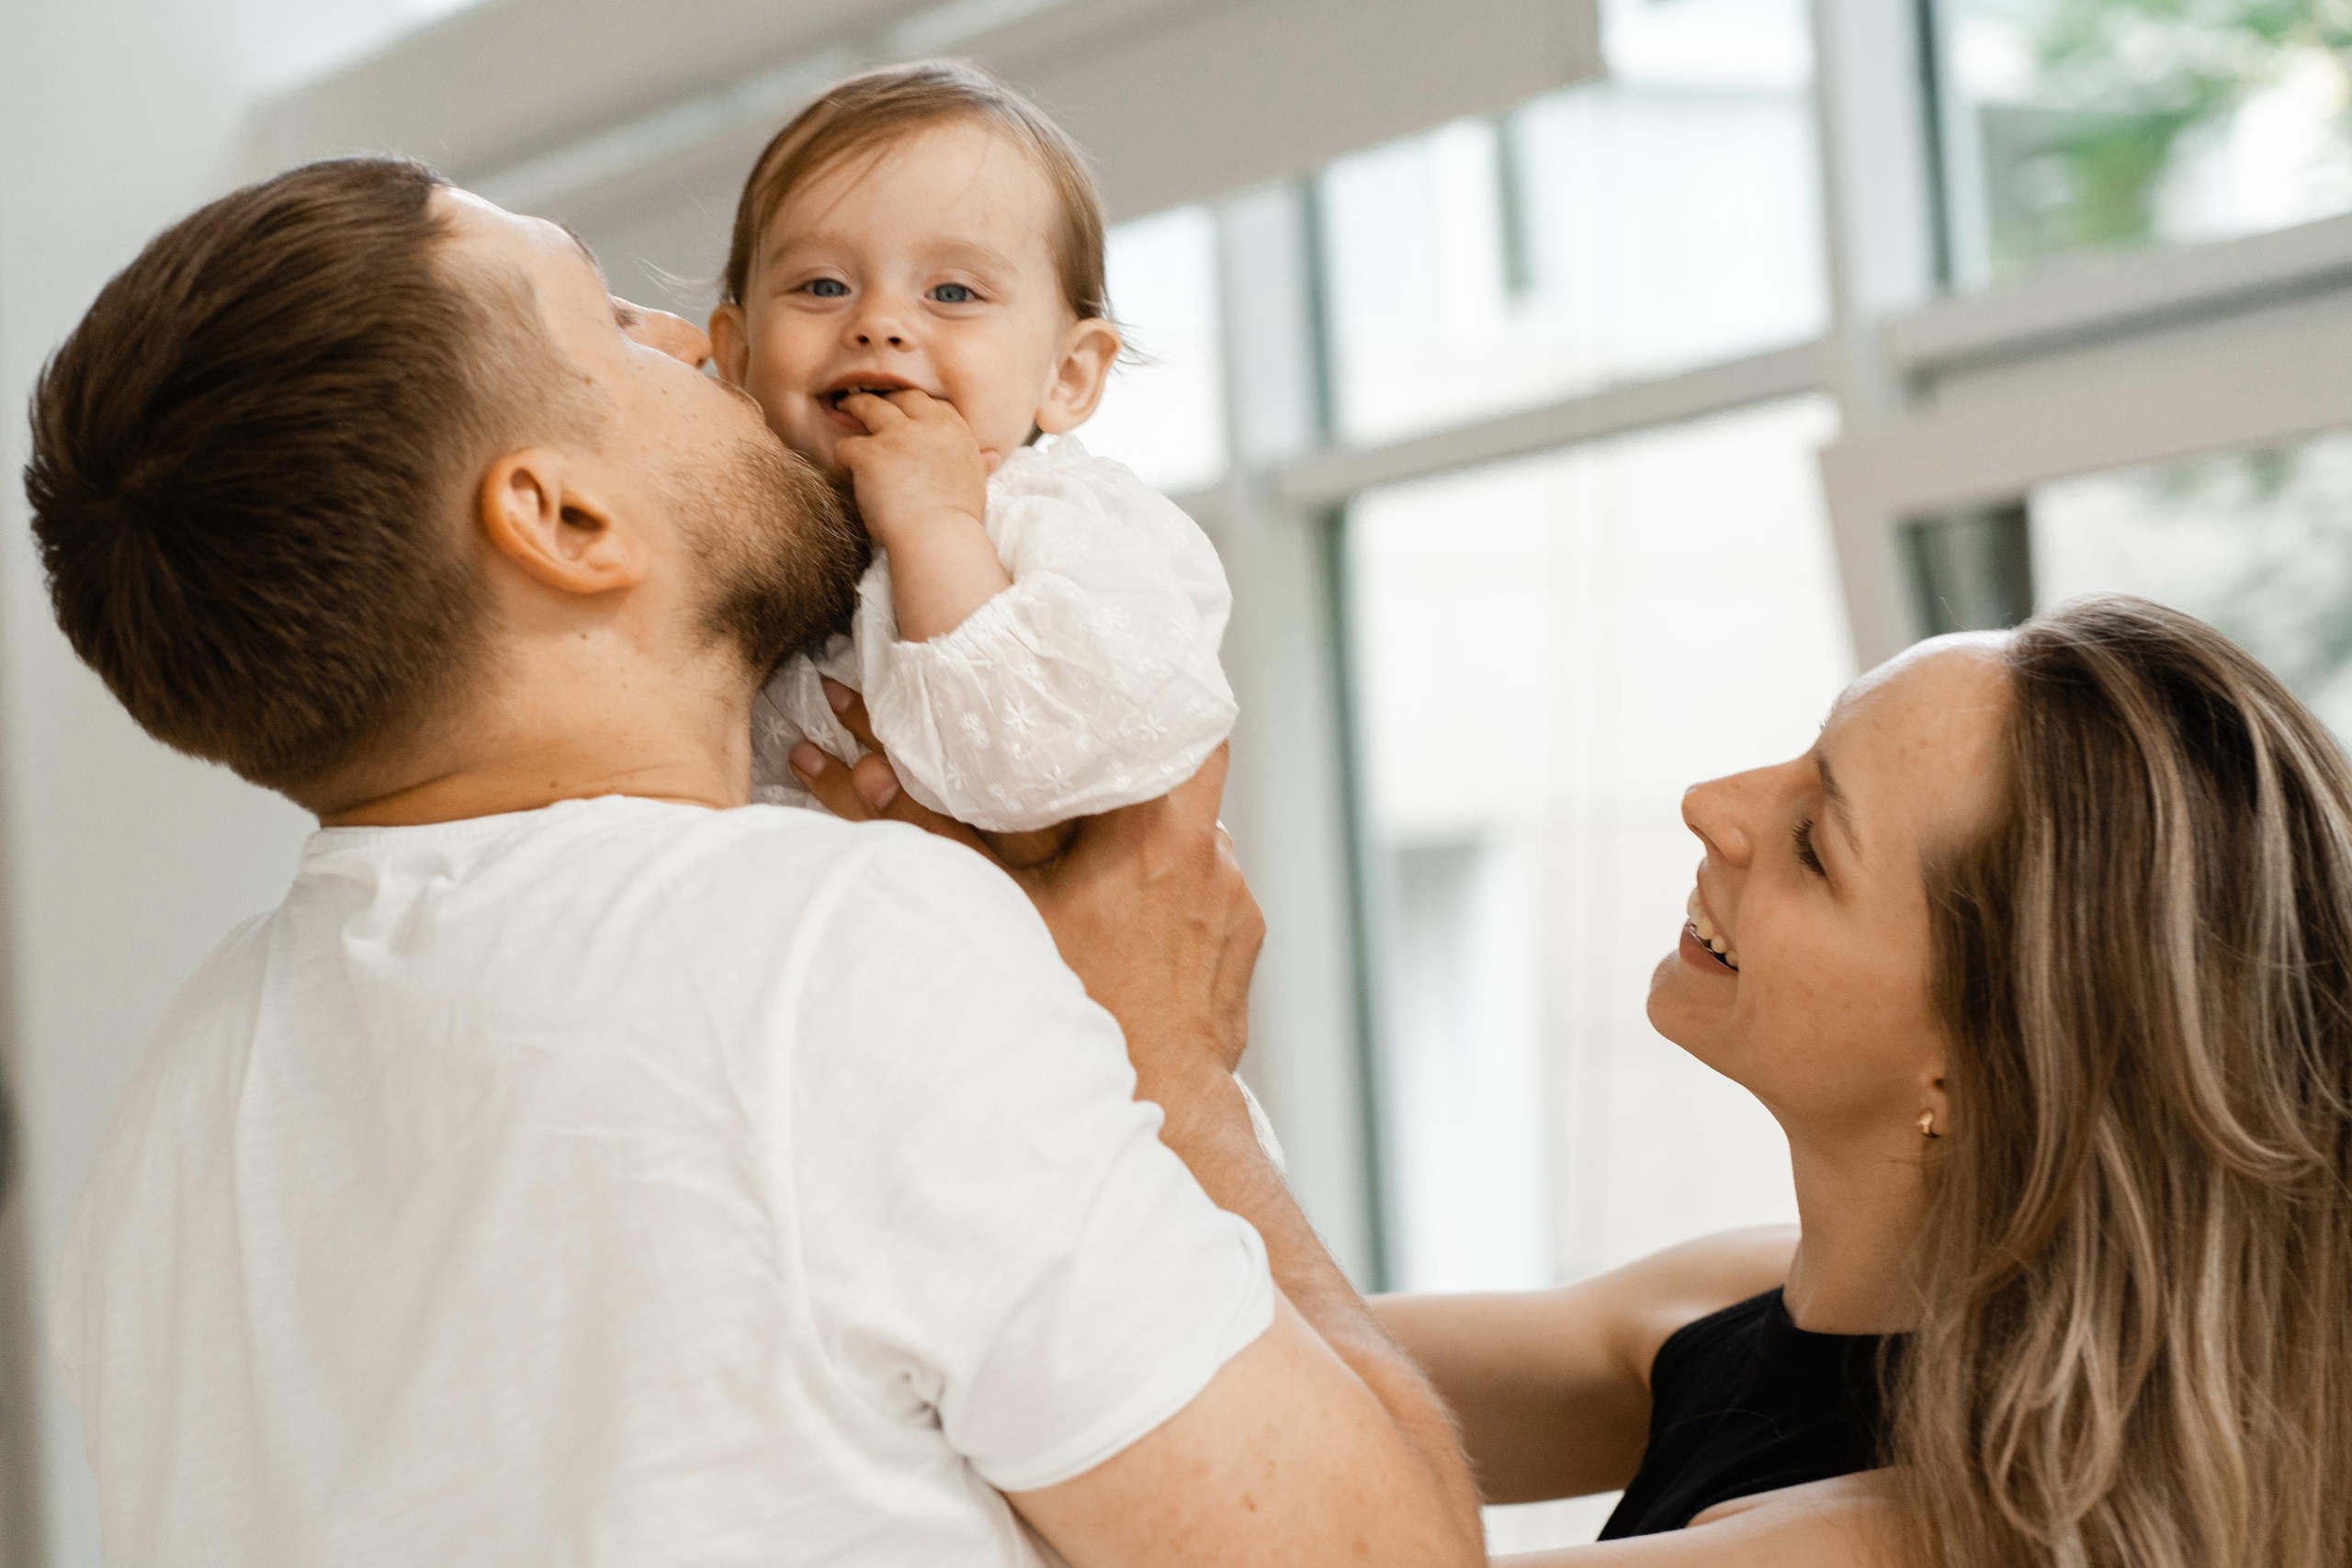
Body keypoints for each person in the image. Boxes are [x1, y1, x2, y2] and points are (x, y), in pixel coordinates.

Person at [23, 155, 1482, 1567]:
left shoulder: (175, 1105)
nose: (694, 339)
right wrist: (1176, 1074)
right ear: (565, 519)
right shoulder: (837, 953)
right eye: (609, 320)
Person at [1350, 596, 2352, 1567]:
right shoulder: (1751, 1295)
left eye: (1813, 847)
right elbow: (1252, 1375)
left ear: (1972, 1070)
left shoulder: (1940, 1536)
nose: (1710, 805)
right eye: (1806, 752)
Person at [718, 60, 1234, 838]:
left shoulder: (1060, 529)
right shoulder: (737, 547)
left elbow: (1038, 761)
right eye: (823, 286)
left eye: (953, 293)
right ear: (736, 357)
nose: (880, 323)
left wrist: (935, 524)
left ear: (1065, 375)